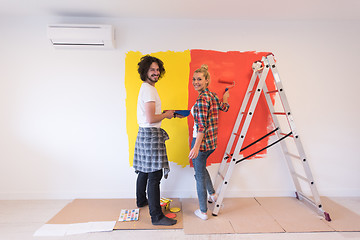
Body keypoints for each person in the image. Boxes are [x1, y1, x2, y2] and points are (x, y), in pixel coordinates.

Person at [133, 55, 177, 226]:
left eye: (158, 70)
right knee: (154, 174)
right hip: (151, 134)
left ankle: (141, 201)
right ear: (145, 71)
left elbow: (149, 116)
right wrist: (166, 115)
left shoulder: (145, 88)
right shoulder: (149, 90)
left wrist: (163, 113)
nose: (156, 72)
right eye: (152, 69)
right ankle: (156, 217)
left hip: (144, 133)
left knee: (144, 170)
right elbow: (151, 118)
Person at [189, 64, 230, 220]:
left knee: (198, 176)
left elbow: (201, 126)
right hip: (212, 143)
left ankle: (203, 211)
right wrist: (225, 97)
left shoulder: (201, 101)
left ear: (207, 81)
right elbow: (224, 107)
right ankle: (213, 194)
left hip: (201, 143)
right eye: (194, 79)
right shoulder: (212, 96)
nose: (195, 82)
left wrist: (196, 147)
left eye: (199, 79)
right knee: (202, 169)